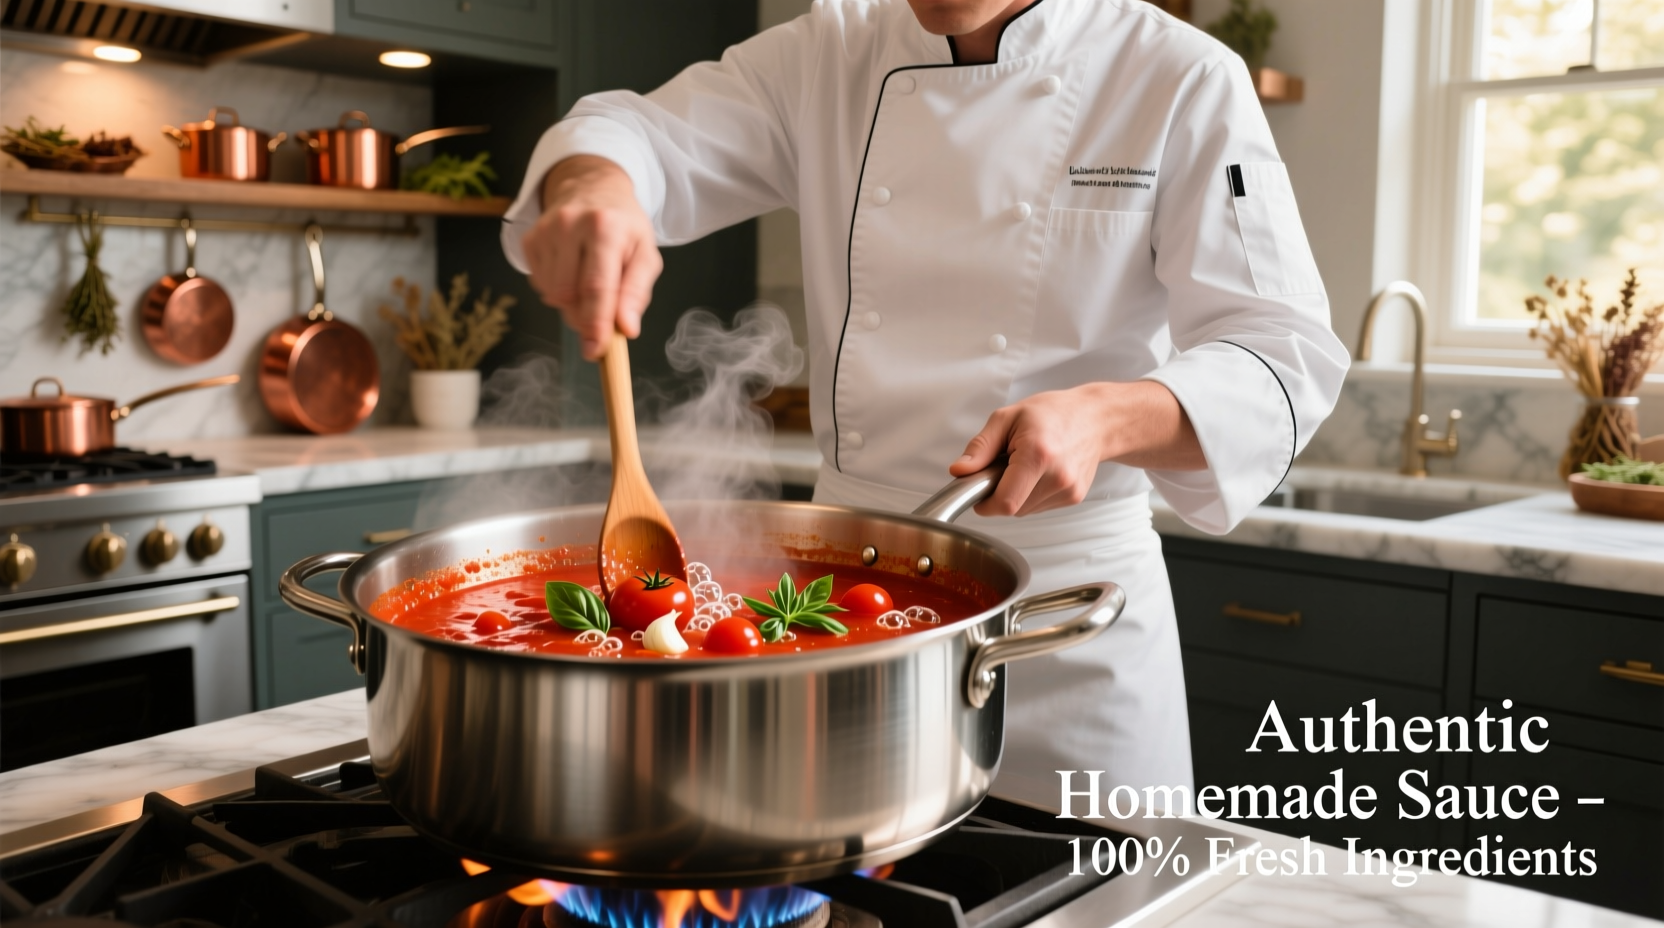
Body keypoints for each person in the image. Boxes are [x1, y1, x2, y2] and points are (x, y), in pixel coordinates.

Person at [501, 0, 1349, 809]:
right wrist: (596, 188)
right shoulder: (827, 54)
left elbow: (1284, 354)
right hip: (843, 621)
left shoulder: (1178, 75)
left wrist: (1105, 417)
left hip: (1067, 630)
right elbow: (633, 133)